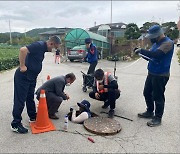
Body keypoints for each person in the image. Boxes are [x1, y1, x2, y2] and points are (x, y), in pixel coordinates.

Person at [11, 36, 61, 134]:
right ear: (51, 43)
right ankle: (15, 124)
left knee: (30, 98)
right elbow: (22, 50)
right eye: (55, 47)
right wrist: (22, 65)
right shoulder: (39, 45)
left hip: (31, 78)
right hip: (23, 77)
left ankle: (32, 116)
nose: (54, 50)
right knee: (20, 100)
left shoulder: (42, 49)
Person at [134, 25, 174, 127]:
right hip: (152, 72)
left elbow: (157, 55)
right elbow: (150, 56)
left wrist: (142, 50)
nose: (151, 38)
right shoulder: (156, 43)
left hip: (161, 75)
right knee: (147, 92)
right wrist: (140, 53)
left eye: (152, 36)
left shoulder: (168, 43)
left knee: (158, 96)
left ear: (158, 35)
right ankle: (149, 111)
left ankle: (158, 118)